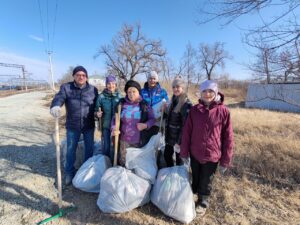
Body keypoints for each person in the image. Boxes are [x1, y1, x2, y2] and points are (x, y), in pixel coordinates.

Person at [180, 80, 234, 216]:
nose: (207, 94)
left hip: (212, 154)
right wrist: (184, 152)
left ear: (215, 93)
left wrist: (225, 160)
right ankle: (193, 195)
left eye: (210, 91)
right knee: (196, 176)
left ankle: (203, 201)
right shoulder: (194, 110)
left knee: (207, 179)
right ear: (201, 93)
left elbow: (228, 137)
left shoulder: (224, 111)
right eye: (204, 91)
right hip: (195, 152)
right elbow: (187, 132)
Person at [50, 66, 98, 185]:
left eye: (83, 75)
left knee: (89, 149)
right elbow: (59, 97)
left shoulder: (93, 89)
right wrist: (56, 105)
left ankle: (86, 171)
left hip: (89, 125)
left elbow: (98, 104)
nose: (81, 77)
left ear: (86, 77)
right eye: (78, 75)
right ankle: (69, 172)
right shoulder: (66, 88)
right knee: (71, 149)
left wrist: (98, 112)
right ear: (74, 76)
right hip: (73, 125)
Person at [112, 80, 156, 166]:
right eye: (129, 92)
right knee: (123, 163)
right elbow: (115, 119)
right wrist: (114, 129)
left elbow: (152, 119)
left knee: (135, 165)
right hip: (124, 141)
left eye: (134, 91)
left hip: (139, 142)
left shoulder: (144, 105)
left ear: (138, 92)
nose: (131, 94)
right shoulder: (121, 104)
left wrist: (145, 125)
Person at [164, 76, 192, 167]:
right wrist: (164, 110)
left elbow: (185, 125)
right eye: (173, 87)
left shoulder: (186, 104)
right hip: (170, 136)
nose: (175, 89)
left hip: (179, 139)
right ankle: (170, 174)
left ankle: (178, 178)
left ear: (182, 88)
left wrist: (179, 142)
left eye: (178, 86)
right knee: (167, 155)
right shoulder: (173, 100)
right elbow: (170, 117)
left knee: (179, 160)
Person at [94, 75, 122, 161]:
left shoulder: (119, 96)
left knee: (116, 143)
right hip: (105, 125)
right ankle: (106, 161)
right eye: (109, 83)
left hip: (116, 125)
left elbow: (123, 109)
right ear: (106, 85)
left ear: (116, 85)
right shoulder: (101, 96)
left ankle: (116, 161)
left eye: (113, 83)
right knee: (106, 145)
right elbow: (95, 110)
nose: (111, 85)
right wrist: (97, 114)